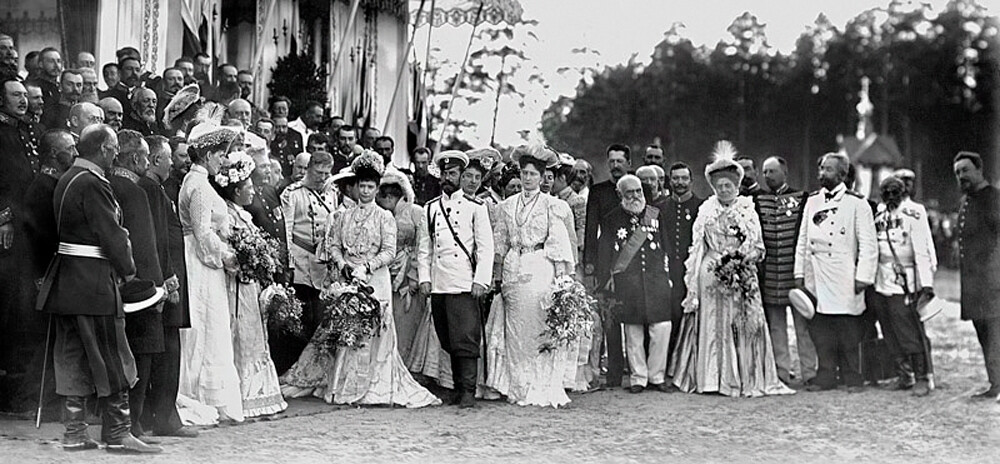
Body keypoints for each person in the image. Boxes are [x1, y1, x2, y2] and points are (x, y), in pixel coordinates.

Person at [36, 124, 161, 453]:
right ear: (104, 149)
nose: (116, 153)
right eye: (114, 147)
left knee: (72, 358)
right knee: (113, 356)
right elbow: (112, 235)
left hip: (67, 283)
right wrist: (129, 270)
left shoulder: (67, 178)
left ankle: (75, 432)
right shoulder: (93, 184)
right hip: (94, 285)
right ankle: (118, 433)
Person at [313, 152, 440, 407]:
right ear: (357, 187)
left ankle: (374, 383)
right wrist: (343, 264)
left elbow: (389, 250)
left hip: (376, 278)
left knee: (374, 326)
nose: (366, 191)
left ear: (376, 189)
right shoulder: (343, 216)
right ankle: (345, 383)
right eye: (363, 186)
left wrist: (367, 267)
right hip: (350, 275)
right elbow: (334, 245)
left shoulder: (385, 217)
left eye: (371, 186)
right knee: (349, 325)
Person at [670, 141, 793, 398]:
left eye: (729, 185)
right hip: (710, 272)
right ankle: (711, 379)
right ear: (713, 188)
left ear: (737, 186)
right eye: (720, 186)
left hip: (741, 271)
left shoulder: (747, 209)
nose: (724, 190)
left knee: (741, 323)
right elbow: (697, 247)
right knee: (712, 324)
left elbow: (757, 245)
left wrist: (738, 260)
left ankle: (742, 377)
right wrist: (695, 279)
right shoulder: (706, 210)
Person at [482, 147, 576, 407]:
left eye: (533, 174)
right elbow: (500, 242)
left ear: (543, 176)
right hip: (514, 265)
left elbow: (558, 244)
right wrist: (497, 276)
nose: (528, 179)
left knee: (538, 325)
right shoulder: (507, 205)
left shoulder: (552, 206)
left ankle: (539, 383)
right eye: (524, 173)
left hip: (539, 266)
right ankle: (517, 385)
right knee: (515, 330)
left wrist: (562, 280)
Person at [177, 122, 246, 423]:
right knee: (204, 325)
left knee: (210, 327)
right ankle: (196, 395)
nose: (223, 161)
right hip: (200, 261)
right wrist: (230, 256)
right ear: (206, 156)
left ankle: (208, 394)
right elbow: (203, 235)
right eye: (220, 155)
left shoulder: (199, 183)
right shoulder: (200, 187)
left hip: (202, 259)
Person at [793, 152, 877, 393]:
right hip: (817, 274)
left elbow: (868, 245)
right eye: (820, 169)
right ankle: (826, 376)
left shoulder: (857, 203)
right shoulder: (812, 201)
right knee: (821, 330)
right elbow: (802, 240)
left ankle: (853, 377)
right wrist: (799, 274)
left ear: (842, 174)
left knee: (848, 330)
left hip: (845, 275)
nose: (822, 174)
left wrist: (864, 277)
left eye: (828, 170)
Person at [416, 150, 494, 408]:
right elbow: (425, 248)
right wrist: (424, 279)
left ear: (461, 176)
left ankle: (467, 391)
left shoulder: (476, 208)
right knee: (447, 337)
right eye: (445, 173)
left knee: (465, 338)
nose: (448, 178)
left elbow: (485, 248)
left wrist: (481, 281)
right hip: (439, 282)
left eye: (453, 174)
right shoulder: (430, 208)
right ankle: (456, 387)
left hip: (464, 282)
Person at [212, 152, 288, 417]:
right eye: (248, 188)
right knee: (241, 334)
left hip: (250, 284)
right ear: (235, 190)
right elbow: (227, 249)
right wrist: (246, 262)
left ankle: (259, 393)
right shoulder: (227, 216)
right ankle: (243, 394)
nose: (253, 191)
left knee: (255, 334)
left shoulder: (243, 214)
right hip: (237, 284)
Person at [108, 130, 168, 439]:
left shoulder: (108, 184)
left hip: (115, 284)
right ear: (135, 159)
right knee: (142, 353)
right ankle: (133, 423)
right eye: (145, 157)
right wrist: (156, 288)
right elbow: (146, 246)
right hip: (141, 288)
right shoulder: (134, 191)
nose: (147, 162)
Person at [137, 135, 197, 437]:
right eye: (168, 157)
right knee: (167, 353)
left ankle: (160, 415)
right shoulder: (149, 189)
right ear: (155, 160)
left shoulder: (156, 188)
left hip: (169, 279)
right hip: (167, 283)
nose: (173, 162)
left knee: (167, 351)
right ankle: (164, 418)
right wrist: (168, 280)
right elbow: (157, 239)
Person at [595, 175, 672, 393]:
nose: (636, 196)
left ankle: (657, 376)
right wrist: (606, 280)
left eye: (638, 191)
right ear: (620, 195)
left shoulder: (655, 214)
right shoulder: (611, 219)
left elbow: (666, 247)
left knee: (662, 327)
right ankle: (638, 378)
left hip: (656, 280)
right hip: (629, 283)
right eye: (630, 192)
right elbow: (605, 252)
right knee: (633, 330)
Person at [871, 176, 936, 397]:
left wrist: (926, 285)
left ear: (902, 192)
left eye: (894, 192)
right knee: (888, 329)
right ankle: (903, 373)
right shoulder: (879, 214)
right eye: (885, 192)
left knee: (908, 331)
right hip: (881, 280)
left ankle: (922, 377)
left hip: (905, 281)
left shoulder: (914, 213)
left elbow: (922, 250)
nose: (890, 197)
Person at [753, 156, 815, 386]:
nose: (767, 176)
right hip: (771, 276)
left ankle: (810, 372)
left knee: (803, 327)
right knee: (776, 327)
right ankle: (782, 372)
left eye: (771, 171)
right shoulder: (759, 201)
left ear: (784, 173)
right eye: (765, 172)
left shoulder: (802, 198)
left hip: (795, 275)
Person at [583, 143, 631, 388]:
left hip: (633, 259)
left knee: (633, 314)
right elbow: (591, 230)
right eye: (611, 162)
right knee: (610, 315)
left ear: (628, 164)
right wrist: (590, 267)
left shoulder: (637, 189)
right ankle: (613, 373)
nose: (614, 166)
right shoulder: (599, 191)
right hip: (605, 258)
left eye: (619, 161)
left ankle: (636, 371)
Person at [953, 151, 1000, 400]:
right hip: (974, 285)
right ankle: (996, 384)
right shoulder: (966, 201)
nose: (962, 176)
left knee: (995, 334)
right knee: (985, 335)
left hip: (993, 283)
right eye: (958, 173)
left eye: (966, 170)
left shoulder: (993, 198)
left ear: (980, 170)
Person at [281, 151, 338, 344]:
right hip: (301, 260)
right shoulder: (293, 193)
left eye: (326, 174)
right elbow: (287, 229)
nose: (322, 178)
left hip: (322, 262)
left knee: (321, 313)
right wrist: (288, 262)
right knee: (303, 313)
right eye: (318, 173)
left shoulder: (332, 194)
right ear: (309, 169)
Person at [374, 170, 425, 364]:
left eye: (385, 197)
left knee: (408, 317)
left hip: (409, 271)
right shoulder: (385, 214)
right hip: (389, 270)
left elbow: (423, 245)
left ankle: (407, 361)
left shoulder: (415, 211)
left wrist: (414, 275)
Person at [663, 162, 702, 375]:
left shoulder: (701, 206)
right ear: (670, 180)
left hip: (693, 270)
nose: (679, 183)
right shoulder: (661, 208)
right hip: (668, 271)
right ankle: (668, 366)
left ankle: (688, 367)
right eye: (675, 178)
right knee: (669, 317)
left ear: (691, 181)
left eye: (683, 178)